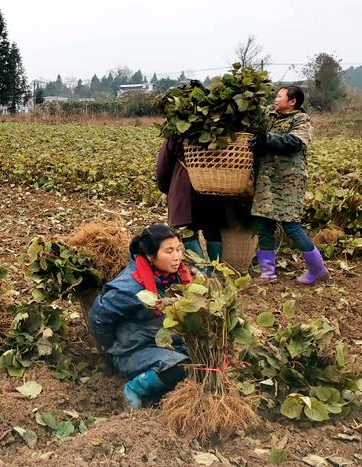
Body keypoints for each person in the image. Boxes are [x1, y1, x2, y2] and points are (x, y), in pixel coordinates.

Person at [89, 224, 192, 409]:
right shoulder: (130, 286)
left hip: (166, 342)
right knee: (181, 367)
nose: (177, 257)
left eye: (178, 249)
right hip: (134, 350)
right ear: (151, 256)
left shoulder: (178, 276)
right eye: (169, 251)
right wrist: (111, 346)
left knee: (203, 364)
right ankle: (133, 390)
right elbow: (99, 316)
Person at [251, 86, 329, 285]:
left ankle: (317, 269)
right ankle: (267, 273)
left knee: (291, 225)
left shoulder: (301, 120)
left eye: (279, 96)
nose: (275, 99)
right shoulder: (269, 117)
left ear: (292, 101)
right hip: (266, 180)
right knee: (264, 224)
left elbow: (294, 142)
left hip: (288, 182)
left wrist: (265, 139)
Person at [156, 139, 252, 264]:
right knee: (213, 229)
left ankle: (201, 270)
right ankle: (215, 270)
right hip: (214, 181)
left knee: (187, 230)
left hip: (185, 185)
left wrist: (166, 187)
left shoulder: (177, 135)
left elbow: (164, 165)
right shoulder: (226, 135)